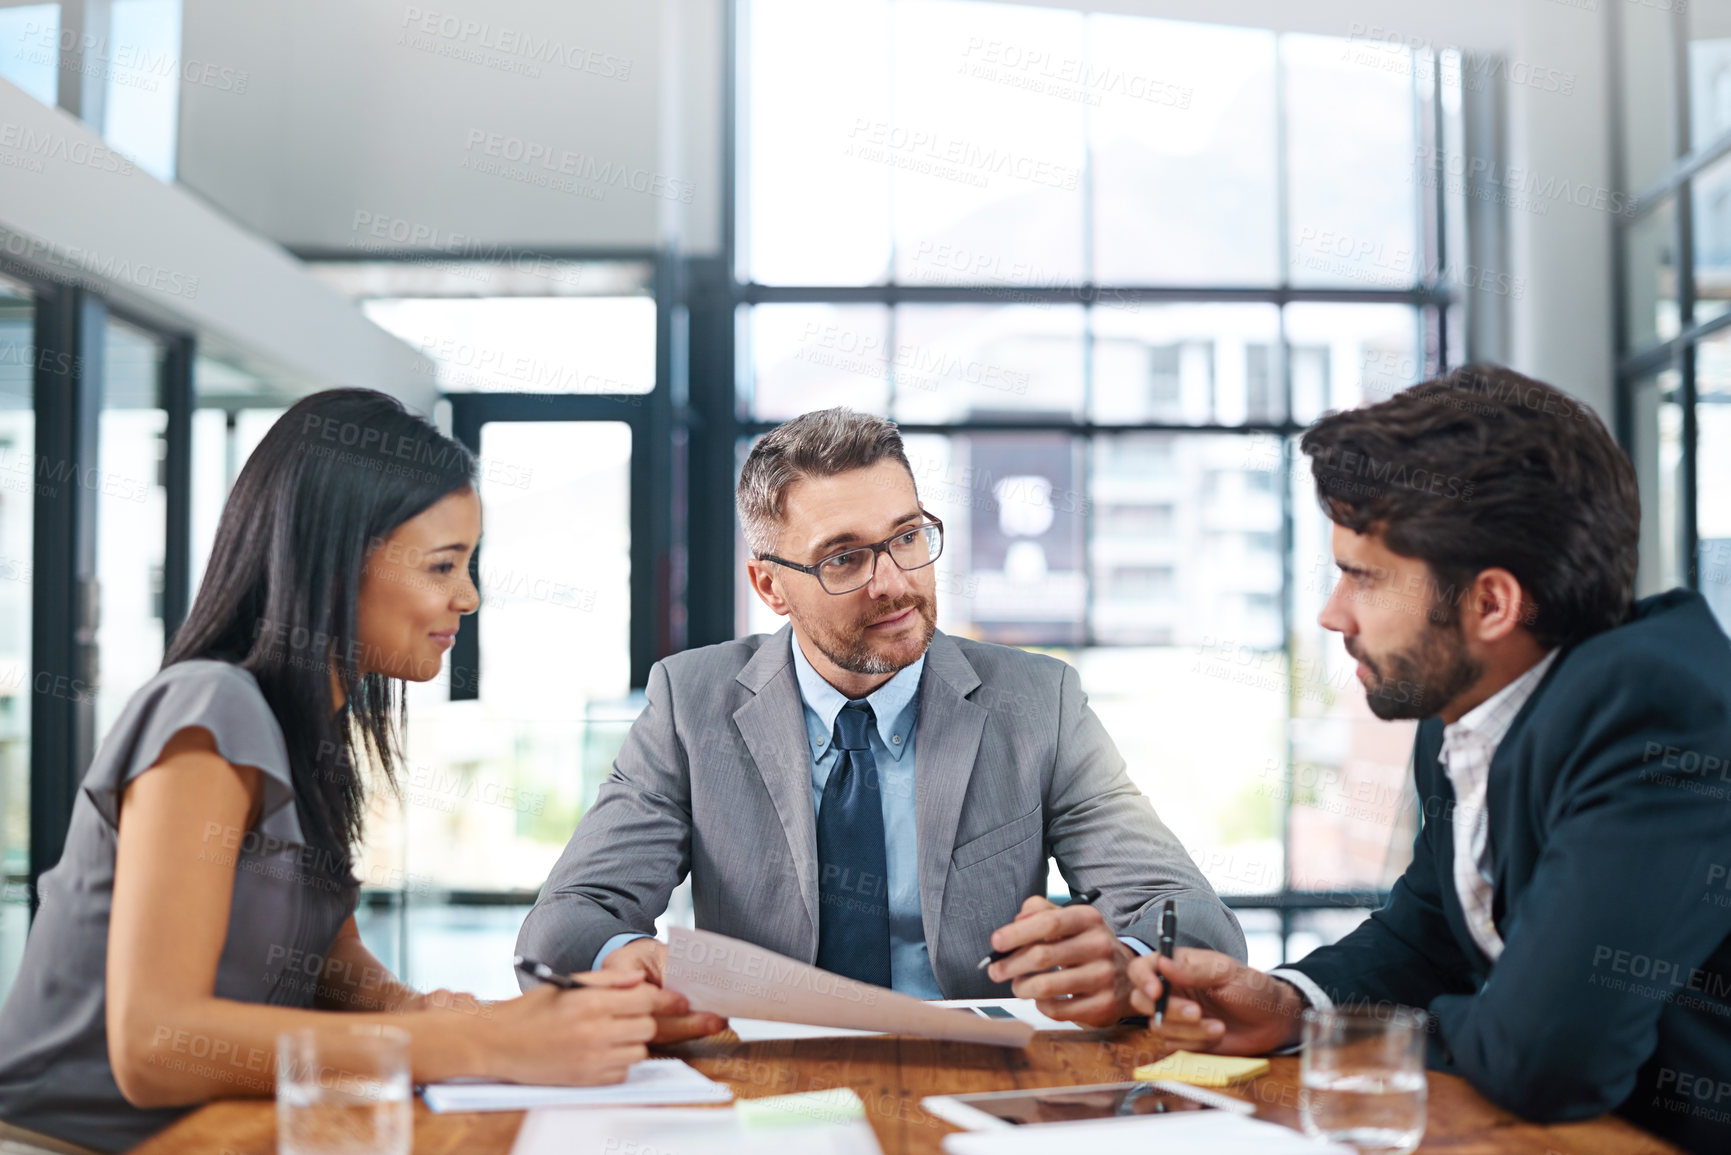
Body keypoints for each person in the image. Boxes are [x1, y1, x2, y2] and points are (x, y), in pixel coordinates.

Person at [0, 390, 717, 1155]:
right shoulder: (209, 706)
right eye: (443, 564)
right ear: (336, 561)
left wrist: (501, 1014)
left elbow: (324, 957)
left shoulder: (305, 729)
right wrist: (487, 1044)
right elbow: (155, 1044)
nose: (466, 596)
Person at [1126, 365, 1731, 1154]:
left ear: (1489, 603)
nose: (1331, 612)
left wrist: (1345, 1036)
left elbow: (1545, 1055)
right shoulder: (1465, 704)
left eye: (1362, 577)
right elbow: (1433, 933)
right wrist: (1289, 1001)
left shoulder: (1656, 709)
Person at [517, 407, 1244, 1028]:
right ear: (770, 585)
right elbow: (566, 920)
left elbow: (1196, 919)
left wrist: (1126, 961)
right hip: (773, 1077)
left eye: (906, 536)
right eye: (843, 558)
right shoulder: (691, 701)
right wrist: (625, 958)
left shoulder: (1038, 704)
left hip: (981, 1075)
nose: (893, 582)